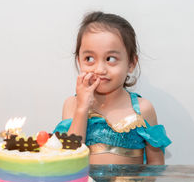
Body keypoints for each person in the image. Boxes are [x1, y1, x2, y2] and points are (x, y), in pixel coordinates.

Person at [54, 11, 171, 164]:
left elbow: (156, 165)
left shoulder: (143, 109)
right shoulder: (72, 105)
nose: (100, 69)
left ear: (131, 63)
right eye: (89, 58)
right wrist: (82, 109)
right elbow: (68, 161)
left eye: (110, 59)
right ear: (79, 61)